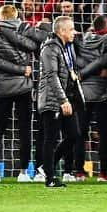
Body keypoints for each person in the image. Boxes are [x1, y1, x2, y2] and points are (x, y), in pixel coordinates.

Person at [0, 4, 42, 183]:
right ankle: (23, 172)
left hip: (2, 86)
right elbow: (33, 45)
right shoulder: (24, 31)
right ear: (16, 16)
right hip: (23, 86)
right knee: (25, 129)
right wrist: (21, 69)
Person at [37, 16, 82, 188]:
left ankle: (47, 167)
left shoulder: (66, 48)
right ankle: (50, 178)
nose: (74, 32)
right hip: (52, 99)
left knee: (74, 135)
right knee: (51, 138)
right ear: (61, 31)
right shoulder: (50, 48)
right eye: (71, 29)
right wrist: (62, 99)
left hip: (65, 98)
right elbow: (51, 76)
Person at [76, 16, 107, 181]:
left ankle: (78, 171)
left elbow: (76, 61)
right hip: (102, 93)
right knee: (104, 134)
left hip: (83, 92)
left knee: (80, 133)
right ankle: (104, 172)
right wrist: (103, 69)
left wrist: (83, 73)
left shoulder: (80, 40)